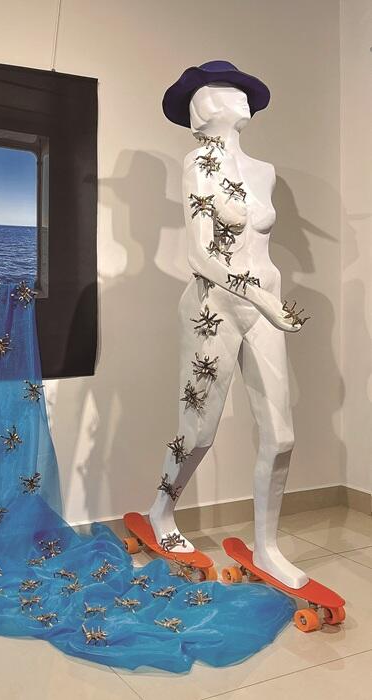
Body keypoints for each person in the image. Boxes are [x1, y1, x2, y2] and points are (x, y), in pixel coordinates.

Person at [149, 61, 309, 588]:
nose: (239, 93)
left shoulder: (264, 171)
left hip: (265, 303)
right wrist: (263, 299)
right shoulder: (197, 163)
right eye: (224, 87)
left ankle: (267, 546)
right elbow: (200, 255)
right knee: (198, 431)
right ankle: (161, 511)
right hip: (212, 304)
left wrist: (268, 299)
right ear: (203, 106)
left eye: (239, 87)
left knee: (281, 435)